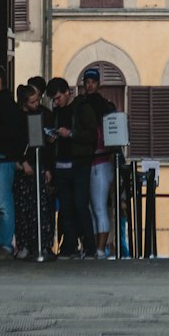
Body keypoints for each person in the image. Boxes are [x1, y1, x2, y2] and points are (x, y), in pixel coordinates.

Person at [47, 77, 96, 258]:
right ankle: (69, 246)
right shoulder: (57, 113)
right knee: (66, 208)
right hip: (61, 165)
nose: (56, 102)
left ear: (68, 92)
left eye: (58, 97)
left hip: (79, 164)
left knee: (80, 205)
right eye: (53, 99)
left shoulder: (83, 108)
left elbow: (92, 135)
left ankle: (90, 247)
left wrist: (71, 134)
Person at [0, 64, 26, 258]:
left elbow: (12, 132)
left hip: (2, 156)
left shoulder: (5, 104)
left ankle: (5, 245)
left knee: (2, 202)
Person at [14, 84, 56, 258]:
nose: (37, 104)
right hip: (24, 166)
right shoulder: (17, 118)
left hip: (39, 165)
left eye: (38, 100)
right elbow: (15, 142)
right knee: (22, 209)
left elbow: (45, 147)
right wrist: (22, 162)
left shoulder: (43, 115)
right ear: (24, 102)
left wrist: (47, 167)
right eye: (32, 101)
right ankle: (24, 244)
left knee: (41, 208)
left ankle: (43, 244)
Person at [80, 66, 115, 259]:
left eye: (92, 82)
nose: (90, 85)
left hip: (99, 161)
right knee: (95, 208)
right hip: (96, 161)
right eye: (87, 82)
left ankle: (100, 248)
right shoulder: (106, 107)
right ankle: (98, 247)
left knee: (98, 207)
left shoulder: (102, 106)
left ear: (98, 84)